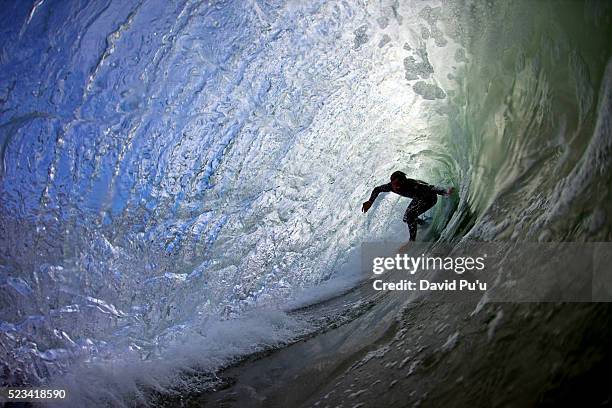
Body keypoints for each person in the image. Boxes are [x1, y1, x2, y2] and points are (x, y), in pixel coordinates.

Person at [362, 170, 454, 241]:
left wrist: (445, 191)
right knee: (406, 218)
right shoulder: (391, 186)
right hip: (418, 198)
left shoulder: (412, 185)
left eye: (398, 184)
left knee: (410, 216)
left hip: (430, 198)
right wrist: (370, 202)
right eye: (394, 184)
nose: (396, 187)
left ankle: (412, 240)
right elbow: (377, 189)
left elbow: (431, 188)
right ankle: (426, 225)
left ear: (403, 182)